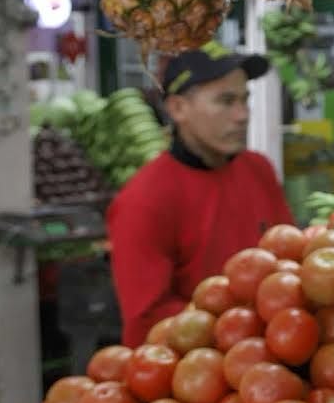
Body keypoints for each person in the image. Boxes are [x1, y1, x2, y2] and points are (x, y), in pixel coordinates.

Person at [107, 42, 294, 346]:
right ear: (178, 108)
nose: (242, 115)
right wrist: (240, 328)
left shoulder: (258, 170)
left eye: (245, 100)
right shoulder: (143, 200)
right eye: (226, 101)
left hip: (272, 350)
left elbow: (289, 258)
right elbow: (148, 318)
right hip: (193, 373)